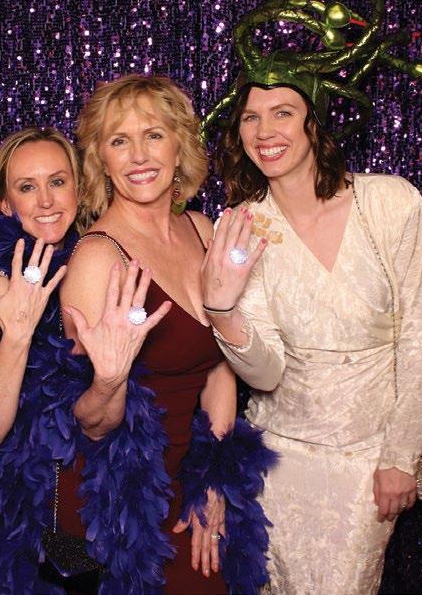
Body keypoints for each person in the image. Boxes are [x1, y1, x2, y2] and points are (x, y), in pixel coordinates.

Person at [201, 0, 422, 593]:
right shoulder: (246, 224)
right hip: (277, 461)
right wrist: (222, 310)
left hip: (368, 460)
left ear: (315, 122)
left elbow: (421, 336)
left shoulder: (389, 203)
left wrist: (399, 456)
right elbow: (266, 374)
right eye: (250, 117)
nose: (265, 132)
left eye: (283, 112)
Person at [0, 127, 170, 594]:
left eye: (57, 182)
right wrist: (17, 337)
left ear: (79, 189)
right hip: (11, 530)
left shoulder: (91, 269)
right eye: (27, 187)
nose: (46, 200)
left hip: (85, 515)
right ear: (5, 204)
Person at [57, 74, 277, 594]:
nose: (138, 155)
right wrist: (109, 380)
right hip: (116, 504)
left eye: (153, 135)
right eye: (119, 141)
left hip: (189, 477)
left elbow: (218, 365)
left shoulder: (201, 230)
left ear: (179, 147)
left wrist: (214, 477)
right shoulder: (97, 257)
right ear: (102, 160)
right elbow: (86, 424)